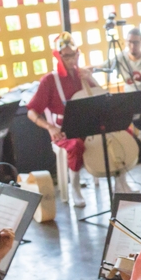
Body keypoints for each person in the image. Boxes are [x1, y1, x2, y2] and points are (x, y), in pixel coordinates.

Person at [26, 33, 115, 208]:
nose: (70, 59)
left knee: (119, 134)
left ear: (78, 54)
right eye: (65, 56)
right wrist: (49, 127)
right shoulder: (50, 80)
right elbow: (32, 111)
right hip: (64, 131)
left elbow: (103, 97)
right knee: (75, 146)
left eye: (73, 55)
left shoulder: (82, 74)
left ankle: (121, 183)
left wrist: (90, 78)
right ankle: (75, 188)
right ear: (58, 56)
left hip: (88, 126)